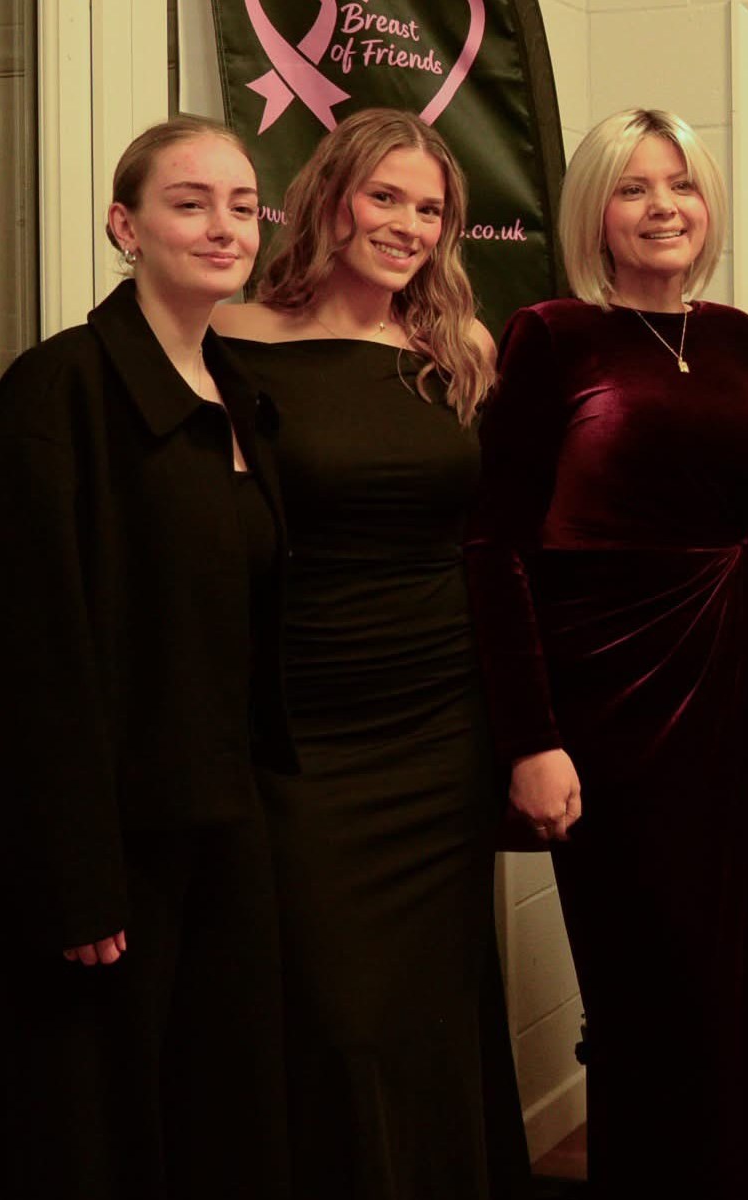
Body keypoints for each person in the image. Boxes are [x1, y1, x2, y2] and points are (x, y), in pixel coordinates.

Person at [0, 117, 291, 1199]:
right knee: (91, 1139)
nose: (223, 225)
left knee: (214, 1125)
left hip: (223, 821)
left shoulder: (237, 387)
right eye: (189, 202)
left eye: (242, 204)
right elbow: (24, 655)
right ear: (123, 225)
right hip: (105, 847)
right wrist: (73, 875)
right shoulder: (61, 392)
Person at [465, 107, 748, 1198]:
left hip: (732, 679)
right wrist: (531, 738)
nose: (663, 208)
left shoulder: (736, 335)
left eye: (682, 186)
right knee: (640, 981)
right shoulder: (551, 334)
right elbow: (493, 546)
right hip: (605, 699)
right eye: (635, 188)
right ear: (594, 211)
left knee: (727, 976)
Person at [211, 108, 529, 1198]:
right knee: (334, 1012)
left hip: (441, 720)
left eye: (429, 208)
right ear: (331, 195)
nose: (406, 224)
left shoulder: (459, 349)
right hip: (301, 720)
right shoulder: (229, 340)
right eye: (384, 196)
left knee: (431, 1009)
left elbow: (506, 538)